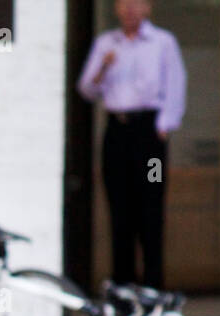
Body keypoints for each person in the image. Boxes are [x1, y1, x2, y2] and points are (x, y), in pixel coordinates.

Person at [78, 0, 186, 289]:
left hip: (149, 134)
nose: (130, 9)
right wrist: (103, 66)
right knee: (119, 209)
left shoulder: (163, 42)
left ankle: (153, 286)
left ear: (148, 8)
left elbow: (176, 84)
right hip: (118, 132)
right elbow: (87, 89)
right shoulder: (106, 44)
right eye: (124, 3)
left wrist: (164, 126)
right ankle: (123, 287)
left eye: (136, 3)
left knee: (150, 207)